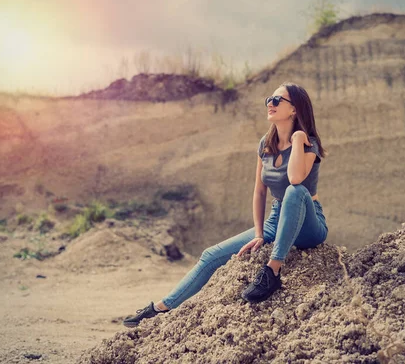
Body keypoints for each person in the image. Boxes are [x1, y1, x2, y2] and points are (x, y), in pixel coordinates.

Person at [123, 81, 329, 328]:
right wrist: (260, 233)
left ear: (294, 109)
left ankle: (272, 270)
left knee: (294, 192)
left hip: (308, 222)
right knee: (210, 255)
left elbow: (296, 180)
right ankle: (161, 308)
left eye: (277, 100)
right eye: (268, 100)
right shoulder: (265, 145)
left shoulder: (308, 143)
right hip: (276, 218)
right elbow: (259, 191)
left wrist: (297, 140)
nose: (270, 104)